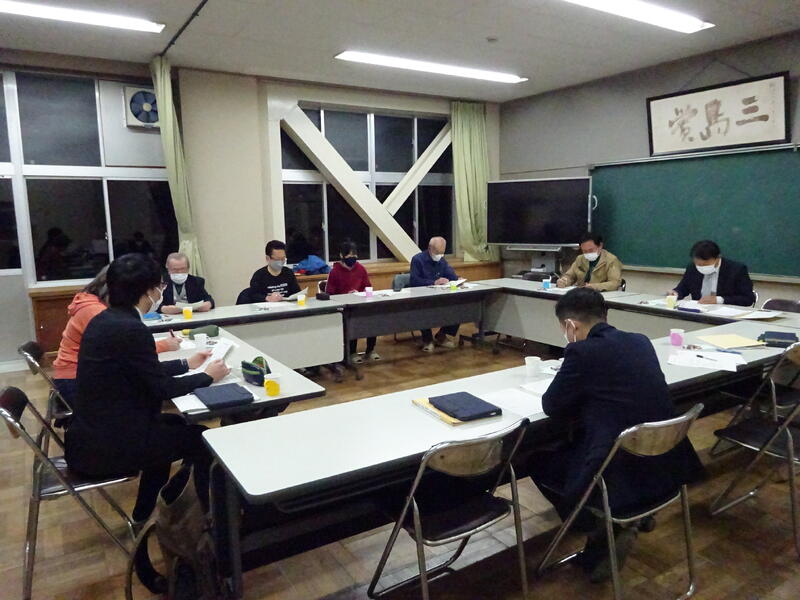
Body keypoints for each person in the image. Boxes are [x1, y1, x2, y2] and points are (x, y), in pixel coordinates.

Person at [528, 288, 704, 583]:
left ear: (570, 325)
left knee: (536, 460)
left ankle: (596, 527)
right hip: (666, 465)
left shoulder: (581, 352)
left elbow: (552, 406)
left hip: (617, 469)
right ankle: (631, 518)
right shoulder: (640, 341)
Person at [64, 253, 230, 523]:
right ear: (148, 291)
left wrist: (185, 364)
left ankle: (145, 513)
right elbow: (161, 388)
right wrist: (207, 377)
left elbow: (141, 370)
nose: (160, 292)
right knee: (202, 439)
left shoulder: (106, 320)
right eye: (160, 286)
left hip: (91, 436)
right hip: (108, 447)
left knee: (176, 425)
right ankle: (208, 518)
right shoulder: (130, 328)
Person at [52, 266, 180, 407]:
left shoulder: (96, 304)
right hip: (76, 379)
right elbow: (128, 350)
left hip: (84, 373)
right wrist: (165, 345)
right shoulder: (95, 311)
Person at [326, 240, 380, 363]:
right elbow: (329, 293)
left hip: (359, 303)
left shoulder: (360, 269)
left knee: (373, 318)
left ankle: (370, 350)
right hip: (343, 307)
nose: (353, 258)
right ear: (342, 255)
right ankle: (352, 352)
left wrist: (359, 293)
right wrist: (345, 296)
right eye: (350, 255)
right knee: (351, 320)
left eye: (355, 255)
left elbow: (367, 287)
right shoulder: (334, 272)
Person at [409, 236, 460, 352]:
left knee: (459, 306)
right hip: (422, 298)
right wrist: (434, 282)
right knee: (423, 309)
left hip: (440, 296)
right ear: (430, 249)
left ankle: (442, 335)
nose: (440, 256)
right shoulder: (417, 260)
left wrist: (456, 279)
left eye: (442, 253)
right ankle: (427, 340)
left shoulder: (441, 260)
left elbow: (451, 275)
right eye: (437, 253)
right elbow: (414, 281)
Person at [669, 240, 755, 306]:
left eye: (705, 264)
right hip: (698, 312)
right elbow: (683, 287)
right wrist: (676, 293)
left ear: (718, 258)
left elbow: (748, 299)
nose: (701, 267)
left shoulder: (737, 270)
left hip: (725, 315)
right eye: (698, 264)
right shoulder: (692, 268)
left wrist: (719, 300)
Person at [557, 232, 623, 291]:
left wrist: (594, 287)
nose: (588, 253)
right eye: (584, 251)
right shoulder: (580, 259)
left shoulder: (611, 260)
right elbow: (570, 276)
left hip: (601, 295)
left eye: (591, 250)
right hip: (581, 294)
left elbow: (615, 283)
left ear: (600, 246)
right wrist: (564, 281)